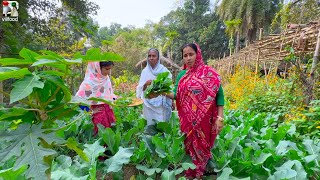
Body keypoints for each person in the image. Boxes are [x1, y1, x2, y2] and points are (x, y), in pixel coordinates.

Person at [175, 43, 224, 179]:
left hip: (205, 121)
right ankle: (190, 174)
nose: (188, 58)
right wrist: (158, 91)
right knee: (188, 147)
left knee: (203, 147)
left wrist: (220, 118)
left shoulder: (209, 74)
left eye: (191, 54)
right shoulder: (181, 76)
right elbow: (175, 94)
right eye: (185, 56)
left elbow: (219, 95)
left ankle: (201, 173)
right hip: (187, 122)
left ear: (198, 54)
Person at [75, 61, 116, 134]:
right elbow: (78, 99)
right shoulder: (89, 82)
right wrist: (90, 111)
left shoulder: (105, 78)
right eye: (107, 69)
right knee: (100, 133)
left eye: (110, 69)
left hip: (107, 111)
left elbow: (107, 93)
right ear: (98, 68)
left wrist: (114, 98)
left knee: (108, 134)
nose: (109, 72)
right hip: (98, 114)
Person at [136, 48, 173, 126]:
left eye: (153, 56)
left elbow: (169, 87)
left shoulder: (164, 70)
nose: (151, 58)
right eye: (149, 56)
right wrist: (146, 84)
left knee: (160, 125)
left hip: (160, 105)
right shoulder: (145, 72)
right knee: (149, 124)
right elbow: (140, 88)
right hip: (148, 104)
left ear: (158, 58)